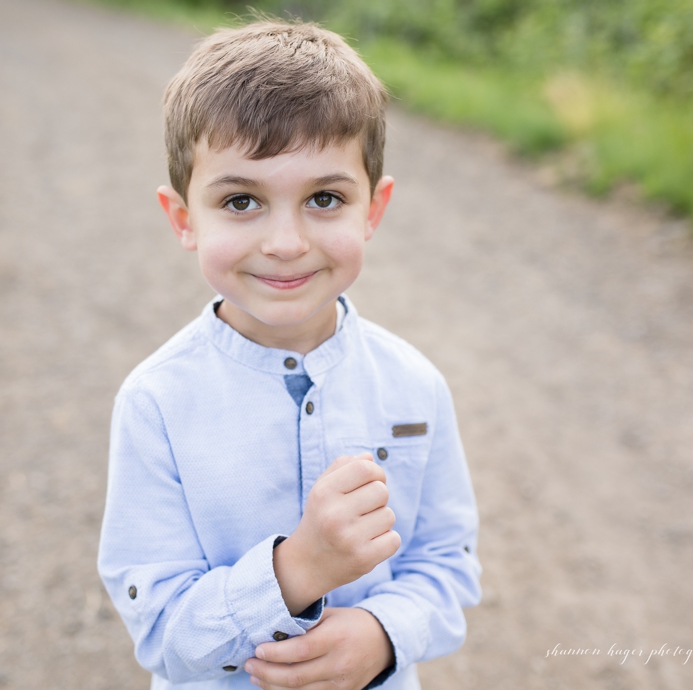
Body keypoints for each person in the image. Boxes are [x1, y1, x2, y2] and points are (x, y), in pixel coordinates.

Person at [98, 19, 481, 690]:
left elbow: (447, 564)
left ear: (373, 209)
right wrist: (297, 569)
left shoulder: (413, 386)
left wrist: (383, 634)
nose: (284, 241)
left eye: (324, 199)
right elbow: (162, 633)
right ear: (183, 218)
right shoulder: (156, 402)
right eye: (241, 200)